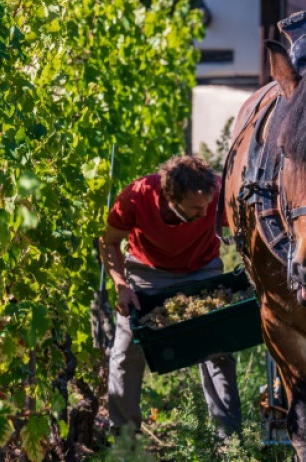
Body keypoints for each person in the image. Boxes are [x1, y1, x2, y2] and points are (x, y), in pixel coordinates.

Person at [99, 155, 242, 440]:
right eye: (194, 209)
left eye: (206, 207)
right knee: (126, 351)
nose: (204, 215)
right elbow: (109, 240)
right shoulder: (137, 196)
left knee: (218, 349)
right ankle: (124, 438)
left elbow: (246, 228)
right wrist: (121, 285)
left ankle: (230, 440)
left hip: (202, 269)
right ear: (169, 197)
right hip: (147, 272)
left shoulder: (216, 194)